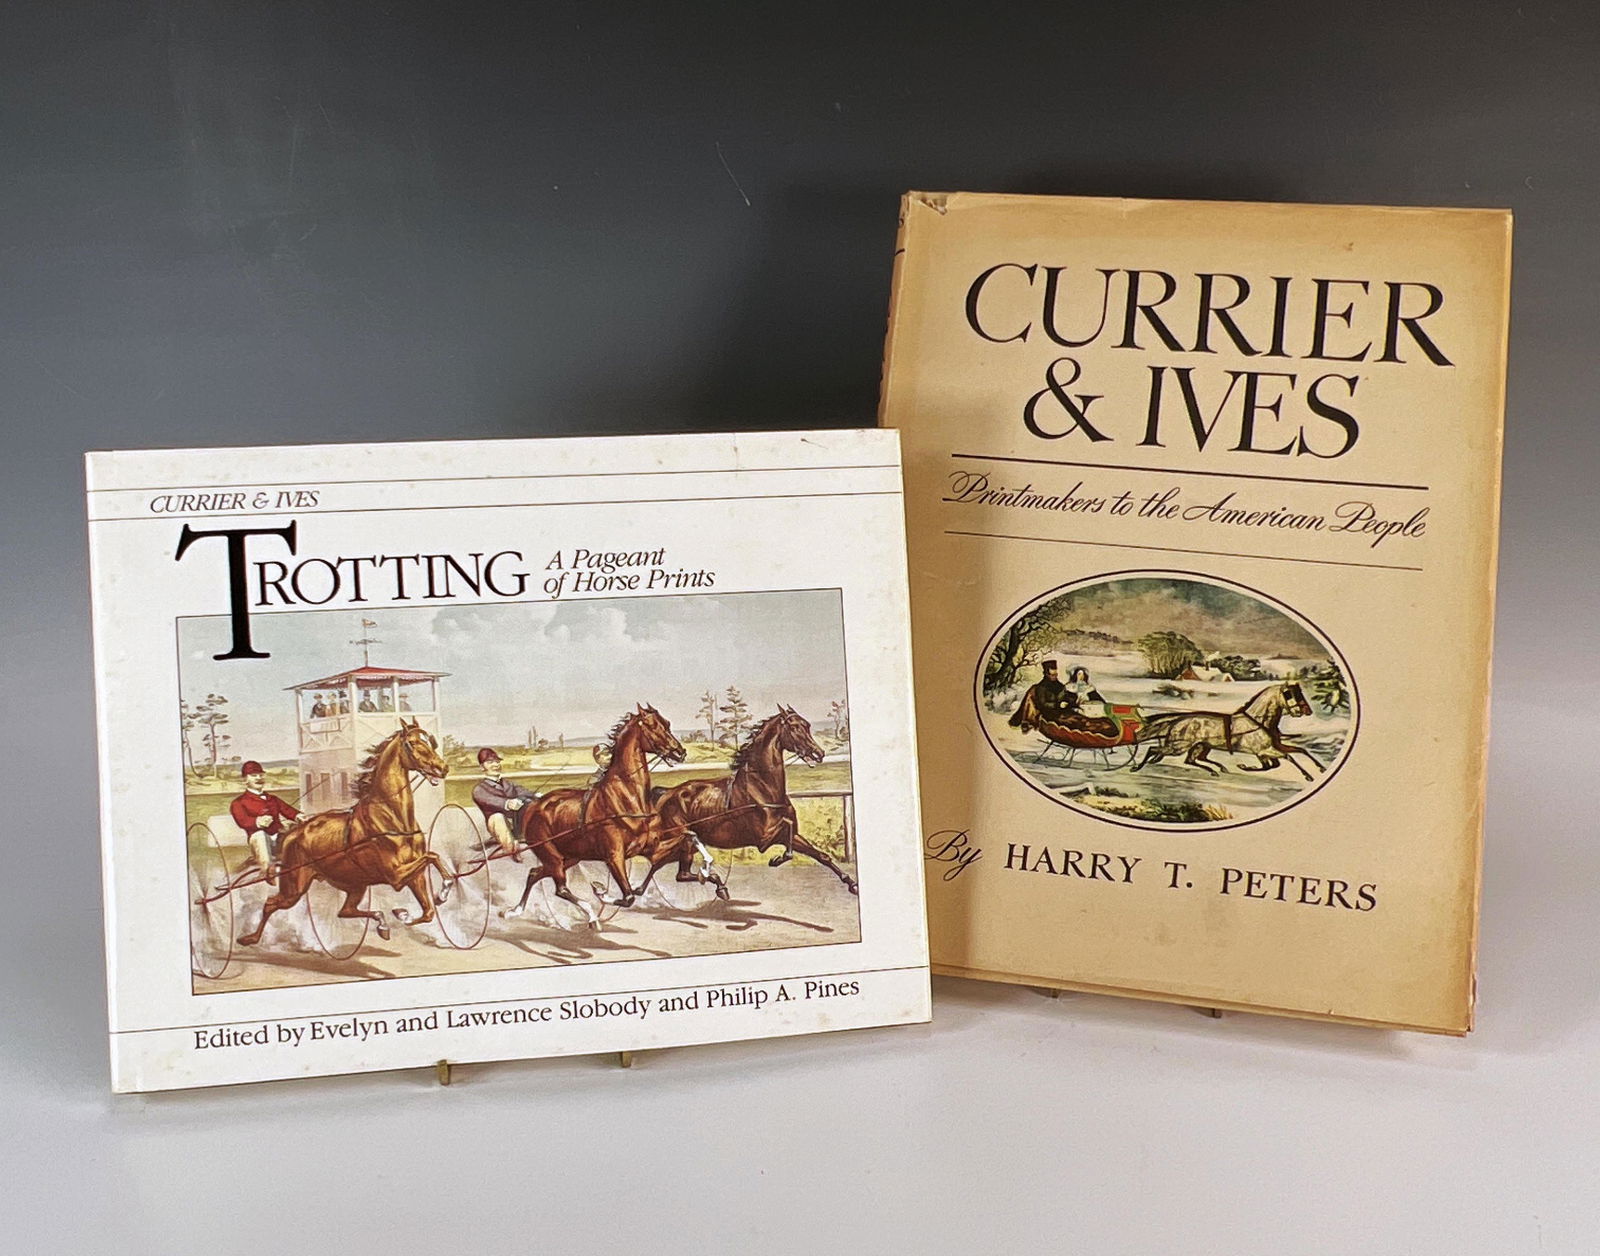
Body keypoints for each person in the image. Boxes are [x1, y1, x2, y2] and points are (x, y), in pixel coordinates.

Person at [229, 760, 300, 883]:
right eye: (254, 775)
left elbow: (288, 810)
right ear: (245, 780)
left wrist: (299, 816)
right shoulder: (238, 802)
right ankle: (267, 871)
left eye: (261, 775)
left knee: (297, 829)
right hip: (258, 841)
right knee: (260, 835)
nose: (258, 778)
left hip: (279, 838)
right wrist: (257, 822)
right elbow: (242, 821)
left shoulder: (273, 799)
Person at [471, 748, 535, 857]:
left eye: (497, 762)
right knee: (497, 817)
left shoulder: (509, 784)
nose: (495, 765)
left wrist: (539, 796)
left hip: (517, 825)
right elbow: (492, 801)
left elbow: (524, 791)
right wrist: (508, 803)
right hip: (497, 824)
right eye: (490, 762)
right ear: (482, 767)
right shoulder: (479, 789)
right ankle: (512, 850)